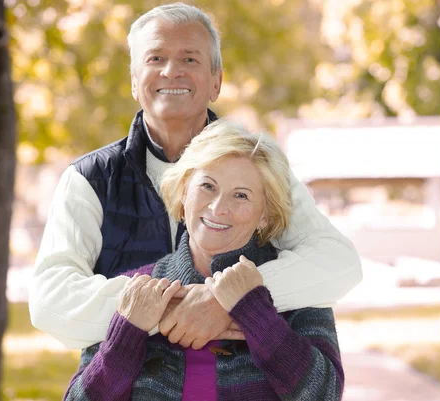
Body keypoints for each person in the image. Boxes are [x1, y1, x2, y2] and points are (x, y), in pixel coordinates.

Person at [29, 2, 362, 351]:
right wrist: (170, 309)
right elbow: (50, 301)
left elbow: (339, 263)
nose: (172, 71)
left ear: (216, 82)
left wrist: (226, 302)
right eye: (155, 58)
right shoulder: (88, 180)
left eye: (190, 59)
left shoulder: (259, 166)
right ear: (133, 81)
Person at [64, 120, 344, 401]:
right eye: (208, 186)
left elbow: (325, 394)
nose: (218, 207)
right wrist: (125, 336)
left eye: (241, 195)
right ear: (185, 191)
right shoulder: (137, 291)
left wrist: (254, 311)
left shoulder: (300, 287)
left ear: (264, 215)